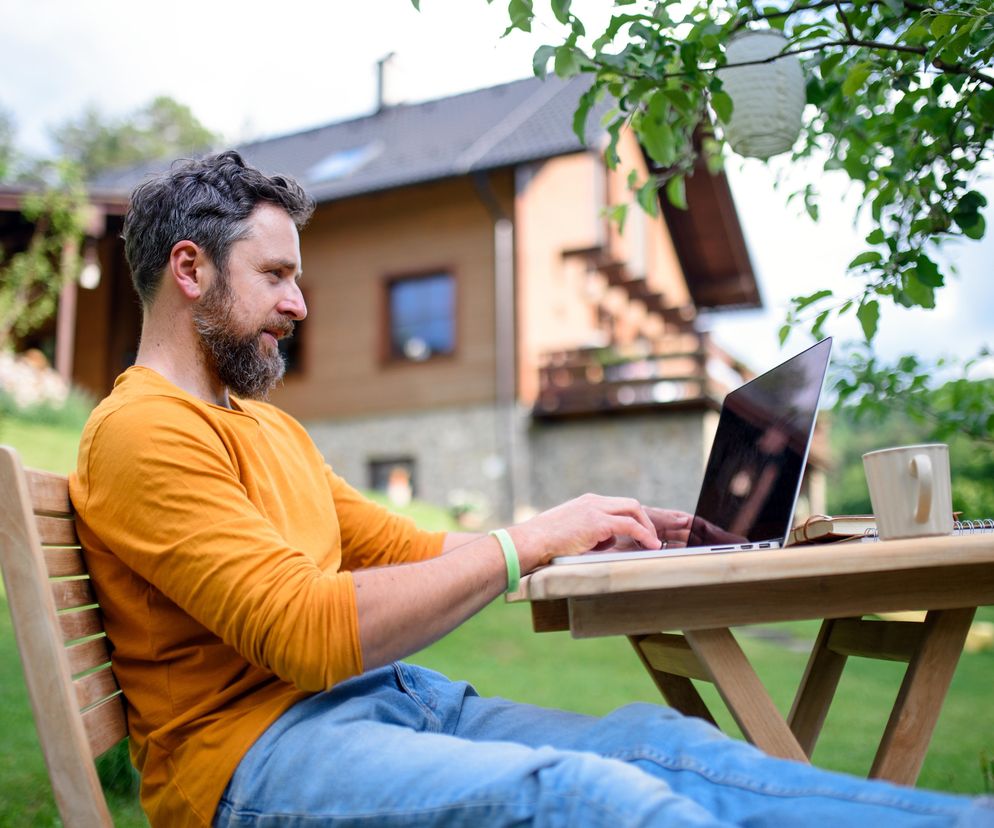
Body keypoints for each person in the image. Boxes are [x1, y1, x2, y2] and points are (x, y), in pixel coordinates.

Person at [70, 151, 992, 828]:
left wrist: (576, 527)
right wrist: (531, 543)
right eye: (276, 275)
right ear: (189, 270)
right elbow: (307, 635)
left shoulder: (267, 427)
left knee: (666, 747)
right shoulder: (144, 432)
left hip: (390, 702)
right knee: (594, 800)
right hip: (253, 761)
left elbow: (408, 552)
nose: (301, 304)